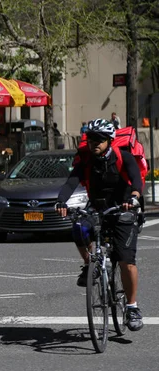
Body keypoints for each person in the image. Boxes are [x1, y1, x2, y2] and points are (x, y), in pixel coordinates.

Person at [55, 118, 143, 331]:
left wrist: (133, 197)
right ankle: (89, 265)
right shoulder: (85, 160)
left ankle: (132, 307)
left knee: (125, 261)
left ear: (110, 140)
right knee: (78, 227)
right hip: (97, 208)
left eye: (100, 139)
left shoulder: (124, 158)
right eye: (92, 139)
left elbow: (136, 179)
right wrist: (61, 201)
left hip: (124, 210)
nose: (95, 143)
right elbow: (71, 182)